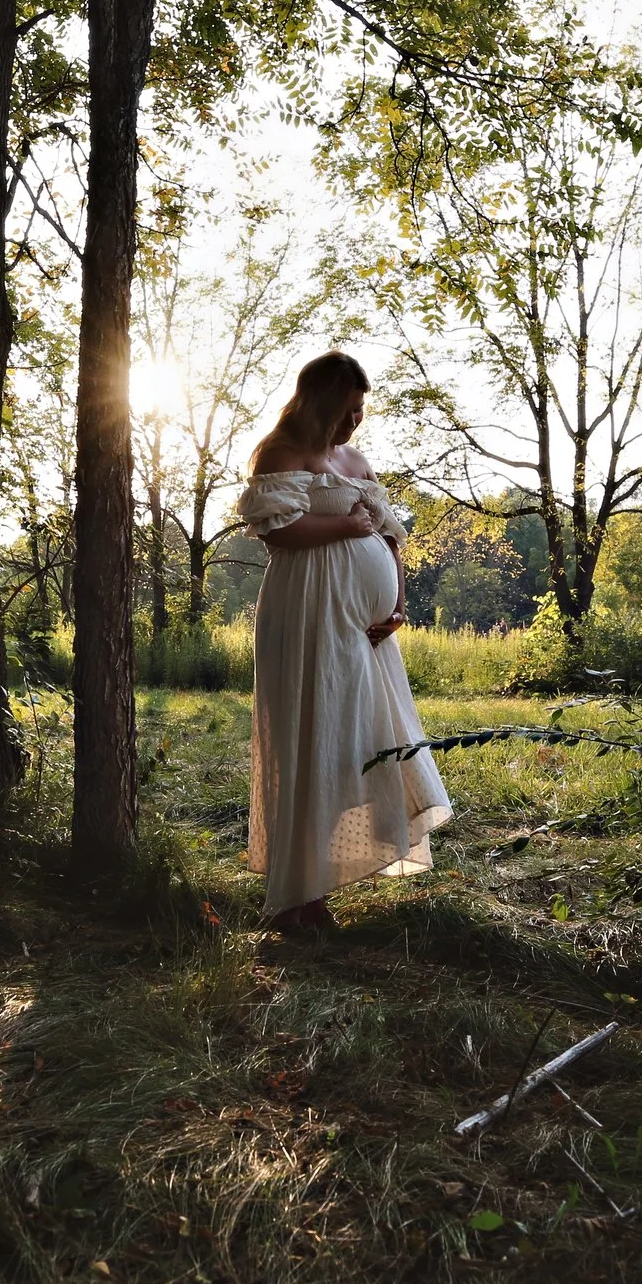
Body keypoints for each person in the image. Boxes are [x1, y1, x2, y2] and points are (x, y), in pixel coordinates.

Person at [235, 352, 450, 932]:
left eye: (361, 409)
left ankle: (330, 873)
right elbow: (276, 530)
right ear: (321, 401)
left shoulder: (355, 459)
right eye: (348, 408)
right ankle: (300, 899)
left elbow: (390, 536)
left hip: (367, 627)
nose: (356, 420)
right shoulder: (282, 452)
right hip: (309, 612)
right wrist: (345, 528)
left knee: (357, 736)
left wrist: (399, 602)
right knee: (313, 736)